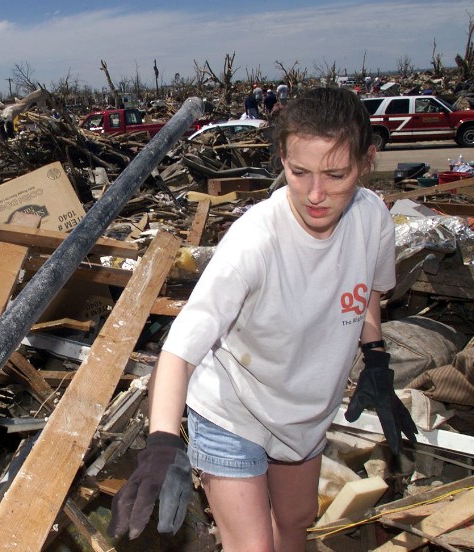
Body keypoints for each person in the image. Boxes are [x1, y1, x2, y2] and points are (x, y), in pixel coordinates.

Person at [108, 87, 417, 551]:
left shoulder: (371, 218)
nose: (316, 194)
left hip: (304, 414)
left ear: (367, 161)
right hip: (233, 411)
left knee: (296, 522)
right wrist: (161, 444)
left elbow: (367, 293)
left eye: (336, 174)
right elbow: (179, 351)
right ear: (281, 158)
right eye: (299, 172)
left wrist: (374, 357)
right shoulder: (254, 241)